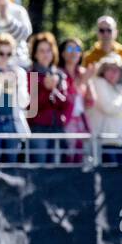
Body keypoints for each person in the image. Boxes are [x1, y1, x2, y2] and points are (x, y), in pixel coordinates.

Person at [0, 32, 30, 163]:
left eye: (9, 54)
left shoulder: (19, 73)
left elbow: (24, 102)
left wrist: (17, 84)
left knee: (11, 164)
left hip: (12, 123)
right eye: (1, 53)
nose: (5, 57)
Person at [88, 53, 122, 164]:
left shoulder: (119, 89)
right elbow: (108, 107)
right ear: (103, 70)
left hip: (121, 143)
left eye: (117, 70)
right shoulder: (98, 83)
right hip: (104, 142)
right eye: (110, 69)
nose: (114, 73)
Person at [27, 31, 71, 163]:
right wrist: (46, 89)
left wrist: (54, 90)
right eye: (41, 51)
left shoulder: (60, 74)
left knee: (60, 170)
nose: (46, 54)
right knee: (40, 169)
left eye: (48, 50)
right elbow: (32, 108)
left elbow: (66, 104)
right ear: (35, 54)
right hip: (38, 128)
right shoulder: (31, 75)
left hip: (58, 127)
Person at [57, 35, 93, 163]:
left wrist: (87, 82)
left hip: (81, 122)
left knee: (81, 159)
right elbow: (65, 98)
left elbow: (91, 101)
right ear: (62, 53)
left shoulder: (82, 72)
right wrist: (82, 81)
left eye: (77, 49)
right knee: (66, 158)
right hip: (65, 122)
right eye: (70, 49)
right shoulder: (58, 73)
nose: (74, 53)